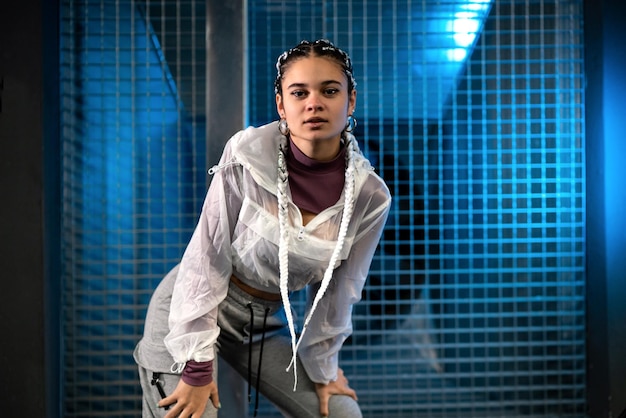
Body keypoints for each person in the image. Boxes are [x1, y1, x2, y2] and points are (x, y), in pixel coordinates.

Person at [134, 39, 391, 418]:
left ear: (350, 101)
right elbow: (207, 256)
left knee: (342, 413)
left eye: (330, 91)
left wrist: (324, 370)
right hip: (192, 305)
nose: (314, 103)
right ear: (281, 105)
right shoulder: (248, 155)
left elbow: (341, 291)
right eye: (299, 92)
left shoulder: (370, 197)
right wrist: (197, 366)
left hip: (259, 324)